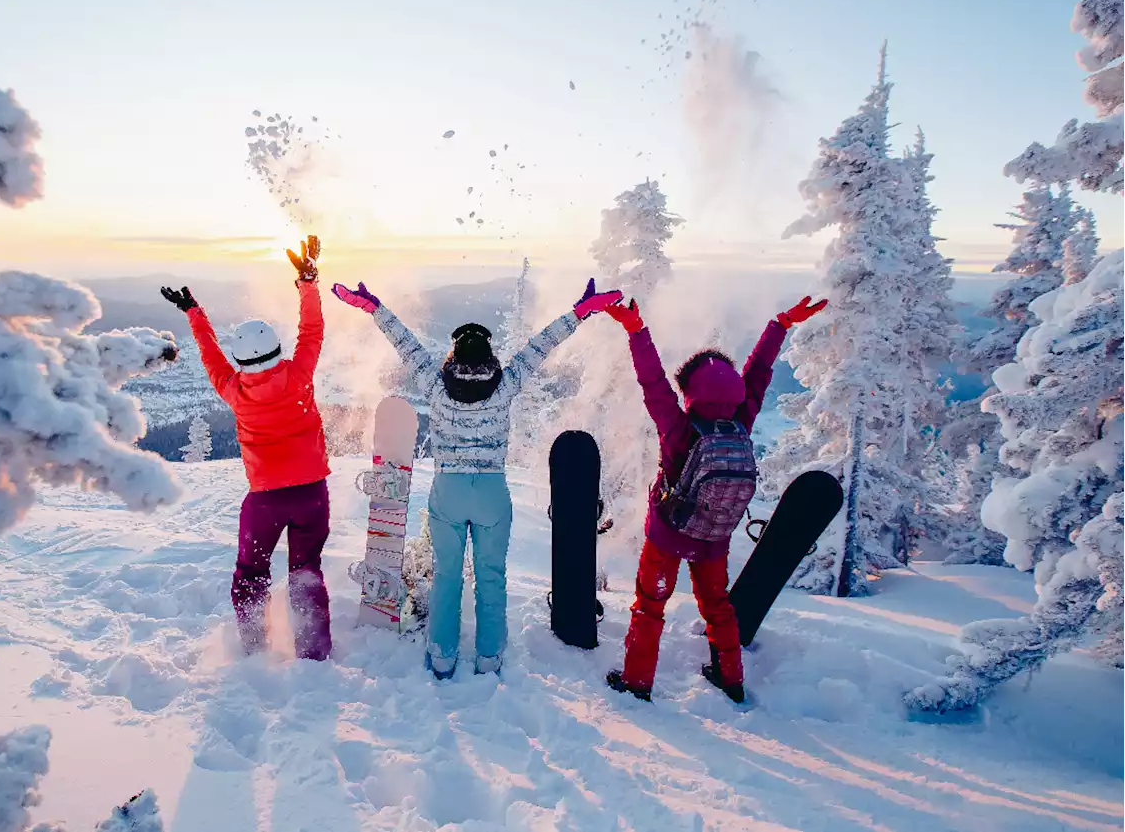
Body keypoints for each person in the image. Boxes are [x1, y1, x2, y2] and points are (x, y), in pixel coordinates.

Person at [332, 278, 622, 679]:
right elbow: (540, 347)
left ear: (453, 355)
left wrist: (374, 308)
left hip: (449, 490)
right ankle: (489, 657)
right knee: (491, 576)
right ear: (489, 357)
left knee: (447, 574)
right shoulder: (504, 387)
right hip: (490, 491)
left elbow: (406, 344)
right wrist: (579, 312)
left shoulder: (436, 385)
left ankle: (442, 656)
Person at [602, 294, 827, 703]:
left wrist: (636, 331)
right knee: (718, 606)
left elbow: (652, 381)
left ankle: (637, 681)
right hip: (714, 536)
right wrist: (779, 325)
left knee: (650, 604)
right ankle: (731, 678)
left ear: (689, 391)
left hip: (668, 535)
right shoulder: (741, 422)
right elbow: (758, 374)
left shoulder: (678, 428)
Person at [161, 237, 332, 660]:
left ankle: (255, 647)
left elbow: (210, 356)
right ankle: (313, 652)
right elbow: (312, 329)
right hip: (312, 495)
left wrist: (193, 313)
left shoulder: (234, 390)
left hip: (266, 502)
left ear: (242, 361)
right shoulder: (299, 375)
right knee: (305, 571)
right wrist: (307, 281)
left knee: (252, 572)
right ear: (276, 350)